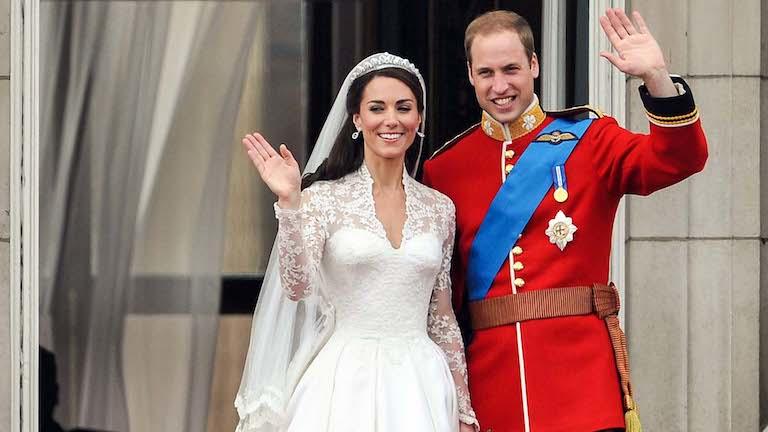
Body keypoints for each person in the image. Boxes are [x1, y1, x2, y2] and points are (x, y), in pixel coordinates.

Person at [422, 9, 708, 432]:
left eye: (511, 69)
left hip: (581, 389)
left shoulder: (590, 140)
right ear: (469, 75)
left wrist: (656, 77)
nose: (500, 86)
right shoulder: (444, 168)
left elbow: (680, 159)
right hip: (491, 391)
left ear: (534, 66)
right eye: (486, 72)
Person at [234, 53, 479, 432]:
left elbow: (441, 315)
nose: (391, 120)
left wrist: (463, 409)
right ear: (357, 118)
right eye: (377, 108)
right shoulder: (322, 200)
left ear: (419, 118)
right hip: (344, 381)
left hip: (423, 383)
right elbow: (297, 286)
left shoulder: (440, 209)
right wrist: (289, 203)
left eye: (404, 107)